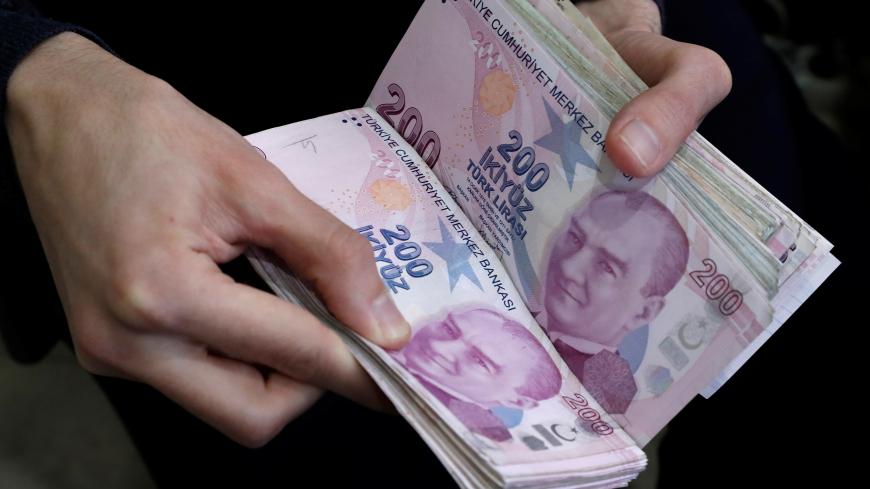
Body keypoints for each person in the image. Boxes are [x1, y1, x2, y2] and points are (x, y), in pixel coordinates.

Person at [5, 0, 847, 487]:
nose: (574, 267)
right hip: (177, 168)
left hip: (646, 56)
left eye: (611, 264)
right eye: (584, 244)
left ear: (654, 301)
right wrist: (28, 69)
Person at [539, 189, 689, 413]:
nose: (569, 268)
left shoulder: (612, 395)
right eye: (575, 238)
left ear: (644, 312)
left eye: (607, 267)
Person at [391, 307, 561, 442]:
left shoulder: (482, 437)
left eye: (480, 361)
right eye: (449, 330)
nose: (438, 346)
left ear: (516, 401)